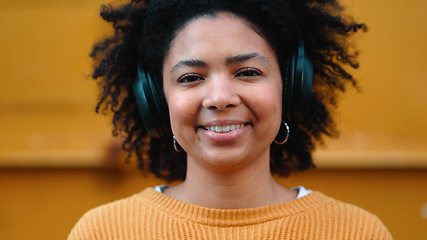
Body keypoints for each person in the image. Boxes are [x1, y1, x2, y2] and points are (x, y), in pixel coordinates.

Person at [68, 0, 393, 239]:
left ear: (291, 88)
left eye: (248, 72)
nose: (220, 97)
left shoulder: (358, 232)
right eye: (190, 77)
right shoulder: (102, 231)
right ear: (155, 100)